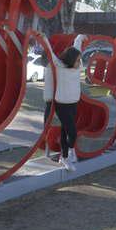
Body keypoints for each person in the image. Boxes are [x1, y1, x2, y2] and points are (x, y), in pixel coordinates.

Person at [43, 34, 87, 171]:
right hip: (62, 105)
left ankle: (66, 153)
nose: (80, 63)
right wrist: (44, 38)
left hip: (74, 103)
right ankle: (66, 157)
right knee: (72, 132)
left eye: (80, 60)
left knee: (65, 132)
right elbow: (50, 52)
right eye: (77, 60)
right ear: (70, 60)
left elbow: (76, 47)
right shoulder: (59, 67)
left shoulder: (77, 68)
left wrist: (80, 38)